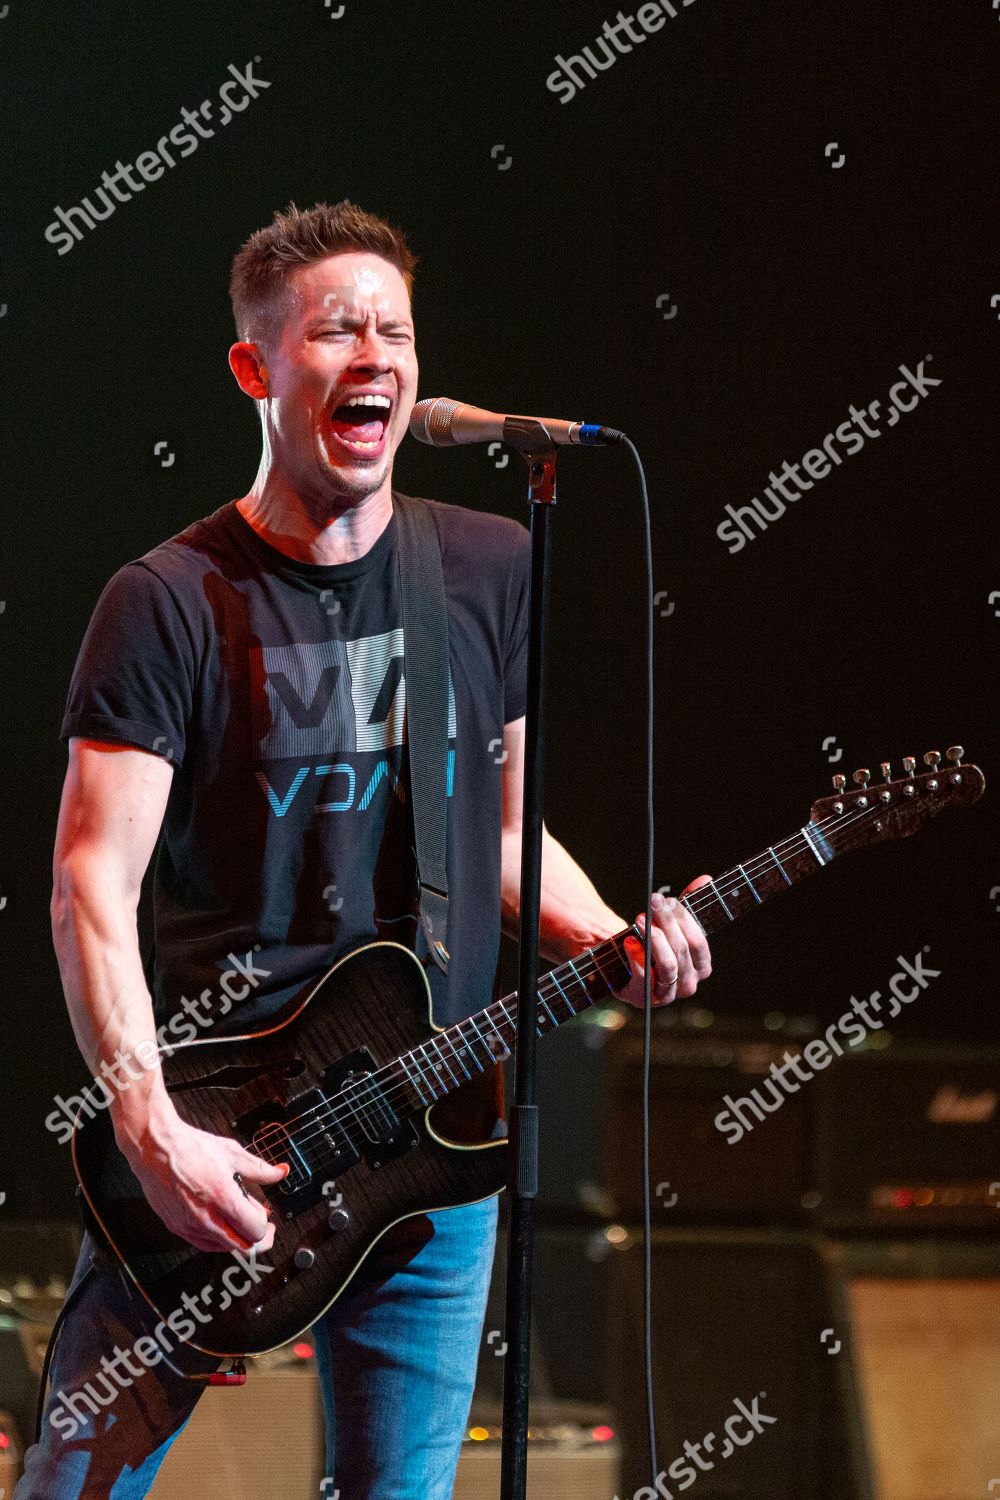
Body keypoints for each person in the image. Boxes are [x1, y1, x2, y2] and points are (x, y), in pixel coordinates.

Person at [16, 199, 713, 1499]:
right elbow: (88, 886)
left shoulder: (487, 568)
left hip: (429, 1149)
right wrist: (152, 1130)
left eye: (395, 327)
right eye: (337, 330)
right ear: (255, 368)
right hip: (224, 1129)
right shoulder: (164, 601)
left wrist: (617, 938)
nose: (376, 353)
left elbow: (502, 835)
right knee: (68, 1483)